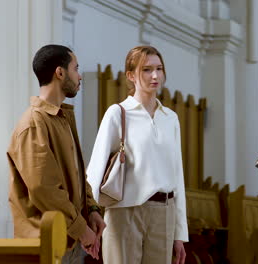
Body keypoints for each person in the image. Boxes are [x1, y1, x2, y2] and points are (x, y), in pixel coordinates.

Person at [87, 46, 188, 264]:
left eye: (159, 69)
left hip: (164, 214)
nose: (155, 76)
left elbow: (177, 175)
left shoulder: (170, 118)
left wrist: (180, 234)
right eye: (146, 70)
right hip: (125, 212)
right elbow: (95, 169)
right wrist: (91, 215)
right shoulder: (118, 113)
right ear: (131, 75)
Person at [7, 44, 106, 264]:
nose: (79, 76)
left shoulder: (62, 119)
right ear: (60, 73)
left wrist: (92, 210)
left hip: (67, 240)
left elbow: (78, 178)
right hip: (45, 243)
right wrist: (81, 228)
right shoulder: (33, 124)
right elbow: (45, 189)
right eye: (75, 68)